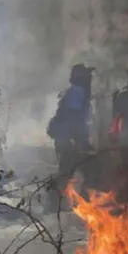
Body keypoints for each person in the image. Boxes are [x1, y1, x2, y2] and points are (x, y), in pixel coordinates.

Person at [46, 64, 96, 211]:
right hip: (67, 139)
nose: (90, 79)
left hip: (67, 138)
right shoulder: (77, 92)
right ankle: (54, 204)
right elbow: (73, 118)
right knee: (71, 170)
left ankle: (62, 202)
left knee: (73, 170)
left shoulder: (78, 92)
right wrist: (80, 140)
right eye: (87, 76)